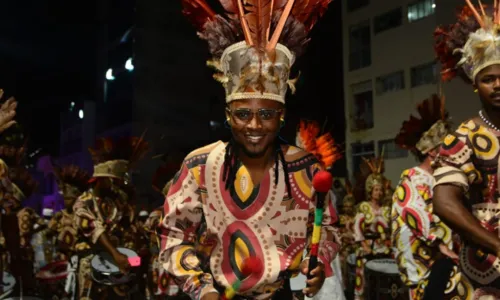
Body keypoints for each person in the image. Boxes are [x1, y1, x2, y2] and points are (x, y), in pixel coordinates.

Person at [159, 1, 339, 299]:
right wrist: (201, 289)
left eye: (266, 114)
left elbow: (328, 227)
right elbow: (173, 237)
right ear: (229, 114)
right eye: (243, 114)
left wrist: (317, 260)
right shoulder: (199, 165)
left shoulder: (307, 168)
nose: (254, 125)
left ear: (281, 115)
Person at [431, 2, 500, 298]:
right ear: (475, 84)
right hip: (483, 273)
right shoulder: (464, 137)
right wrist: (496, 244)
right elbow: (445, 202)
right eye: (488, 79)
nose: (498, 85)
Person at [391, 93, 464, 299]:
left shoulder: (441, 178)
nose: (452, 151)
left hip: (444, 260)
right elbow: (414, 212)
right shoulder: (412, 178)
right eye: (446, 146)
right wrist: (438, 242)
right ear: (432, 151)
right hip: (425, 262)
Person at [73, 136, 148, 299]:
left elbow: (130, 228)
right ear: (101, 179)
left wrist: (137, 257)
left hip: (119, 265)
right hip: (93, 268)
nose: (117, 185)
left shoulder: (118, 200)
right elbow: (94, 228)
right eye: (114, 181)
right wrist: (115, 254)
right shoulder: (83, 203)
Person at [352, 156, 391, 300]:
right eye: (375, 190)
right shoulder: (363, 207)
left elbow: (390, 231)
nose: (378, 193)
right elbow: (358, 231)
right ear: (370, 190)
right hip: (366, 248)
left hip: (384, 249)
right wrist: (365, 247)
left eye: (380, 190)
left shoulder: (387, 209)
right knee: (365, 283)